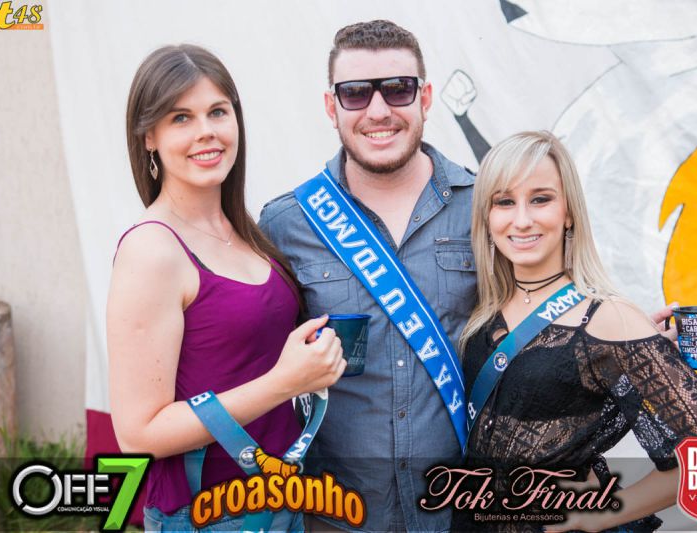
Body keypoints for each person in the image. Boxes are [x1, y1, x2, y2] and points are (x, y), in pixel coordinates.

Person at [452, 131, 697, 532]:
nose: (522, 219)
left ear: (569, 212)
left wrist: (601, 513)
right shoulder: (483, 311)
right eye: (504, 202)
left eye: (540, 199)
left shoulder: (609, 317)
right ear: (487, 217)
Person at [108, 44, 345, 532]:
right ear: (149, 136)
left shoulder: (245, 231)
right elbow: (139, 435)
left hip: (281, 501)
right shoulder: (151, 250)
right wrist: (284, 382)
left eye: (218, 111)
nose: (206, 131)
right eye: (181, 118)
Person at [258, 20, 477, 532]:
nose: (378, 111)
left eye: (398, 89)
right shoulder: (286, 223)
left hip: (462, 512)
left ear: (425, 98)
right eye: (355, 93)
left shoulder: (486, 206)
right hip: (338, 515)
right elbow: (249, 348)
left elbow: (542, 312)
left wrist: (622, 332)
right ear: (331, 106)